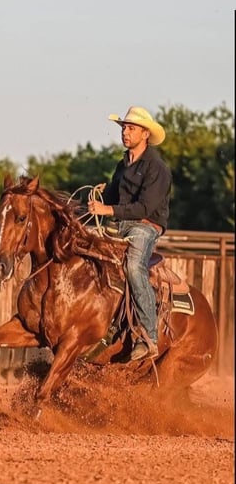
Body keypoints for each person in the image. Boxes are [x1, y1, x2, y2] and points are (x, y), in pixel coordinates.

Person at [88, 106, 172, 361]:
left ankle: (148, 336)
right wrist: (92, 202)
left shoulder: (156, 167)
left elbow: (144, 207)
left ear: (145, 134)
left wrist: (107, 209)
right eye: (124, 127)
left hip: (145, 226)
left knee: (135, 267)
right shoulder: (123, 164)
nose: (126, 132)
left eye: (131, 128)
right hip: (121, 225)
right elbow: (113, 197)